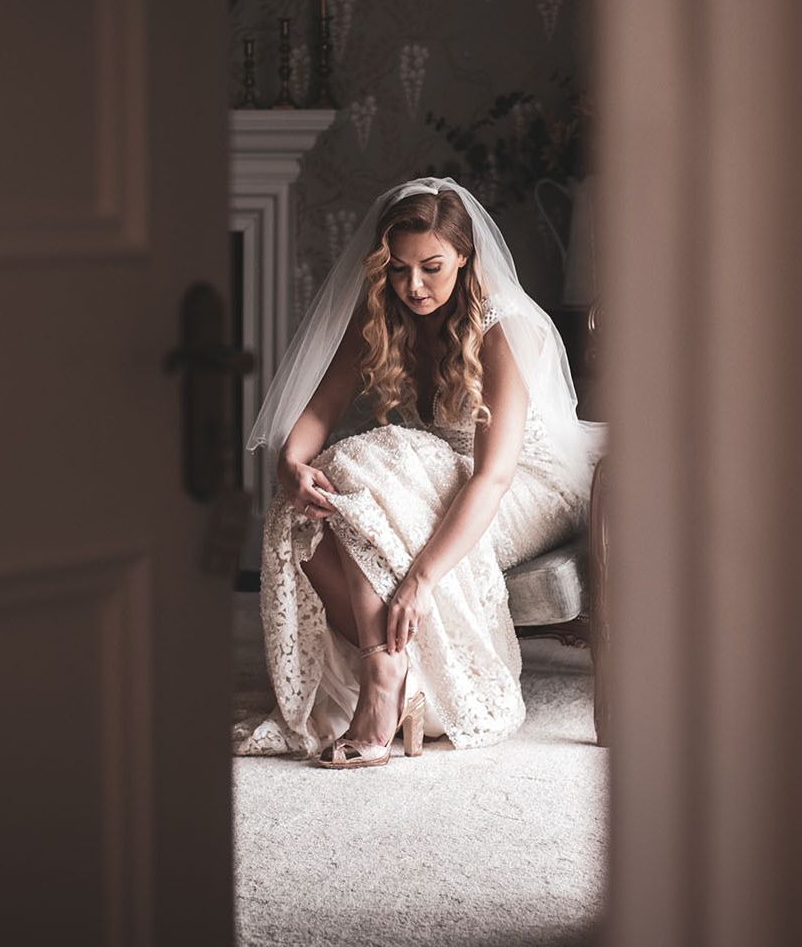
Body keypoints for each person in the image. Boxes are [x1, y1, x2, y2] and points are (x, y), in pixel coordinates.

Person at [234, 176, 605, 767]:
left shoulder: (505, 328)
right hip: (440, 470)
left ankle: (384, 684)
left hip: (526, 486)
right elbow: (313, 420)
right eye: (399, 268)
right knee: (308, 499)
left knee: (366, 462)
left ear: (465, 257)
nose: (413, 285)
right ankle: (390, 667)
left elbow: (493, 475)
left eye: (432, 267)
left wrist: (421, 579)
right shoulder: (384, 315)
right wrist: (291, 468)